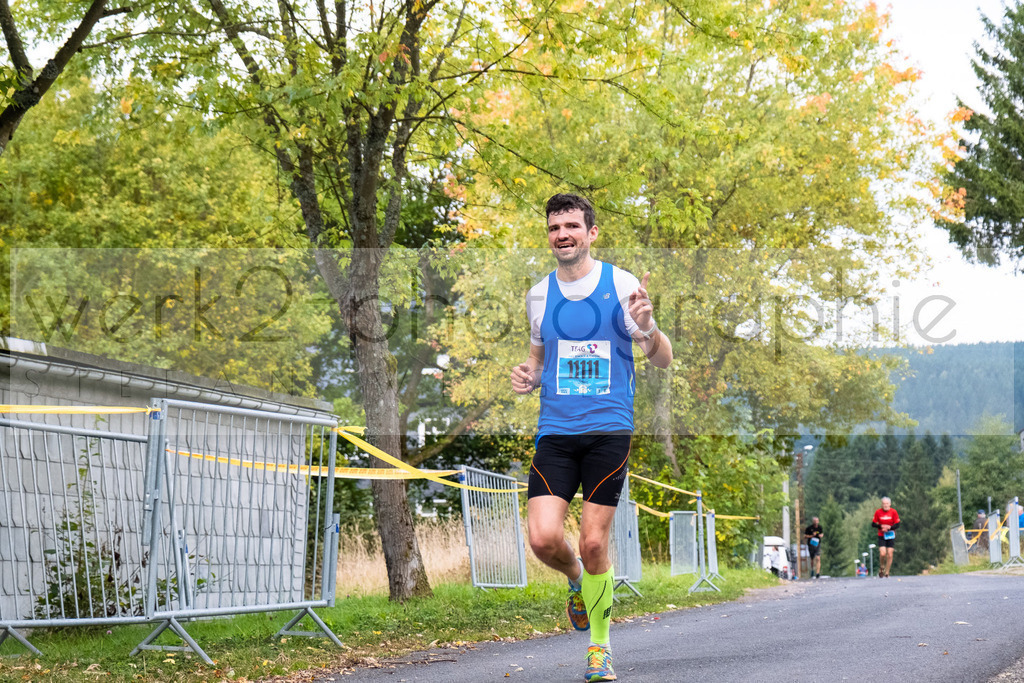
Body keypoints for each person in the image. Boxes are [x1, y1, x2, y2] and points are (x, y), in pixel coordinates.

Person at [510, 193, 672, 683]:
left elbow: (662, 358)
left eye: (573, 225)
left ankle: (599, 649)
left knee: (595, 541)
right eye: (555, 226)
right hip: (556, 432)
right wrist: (529, 376)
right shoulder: (538, 295)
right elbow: (540, 360)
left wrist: (647, 327)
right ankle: (578, 580)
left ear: (591, 233)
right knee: (542, 539)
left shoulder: (621, 285)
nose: (563, 234)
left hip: (608, 430)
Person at [871, 496, 900, 578]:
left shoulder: (893, 512)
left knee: (890, 553)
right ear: (882, 504)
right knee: (883, 553)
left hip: (890, 535)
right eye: (884, 504)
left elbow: (898, 524)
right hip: (881, 535)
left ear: (890, 504)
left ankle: (887, 572)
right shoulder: (878, 512)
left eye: (887, 504)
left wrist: (889, 527)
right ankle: (881, 567)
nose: (885, 505)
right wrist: (881, 526)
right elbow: (873, 524)